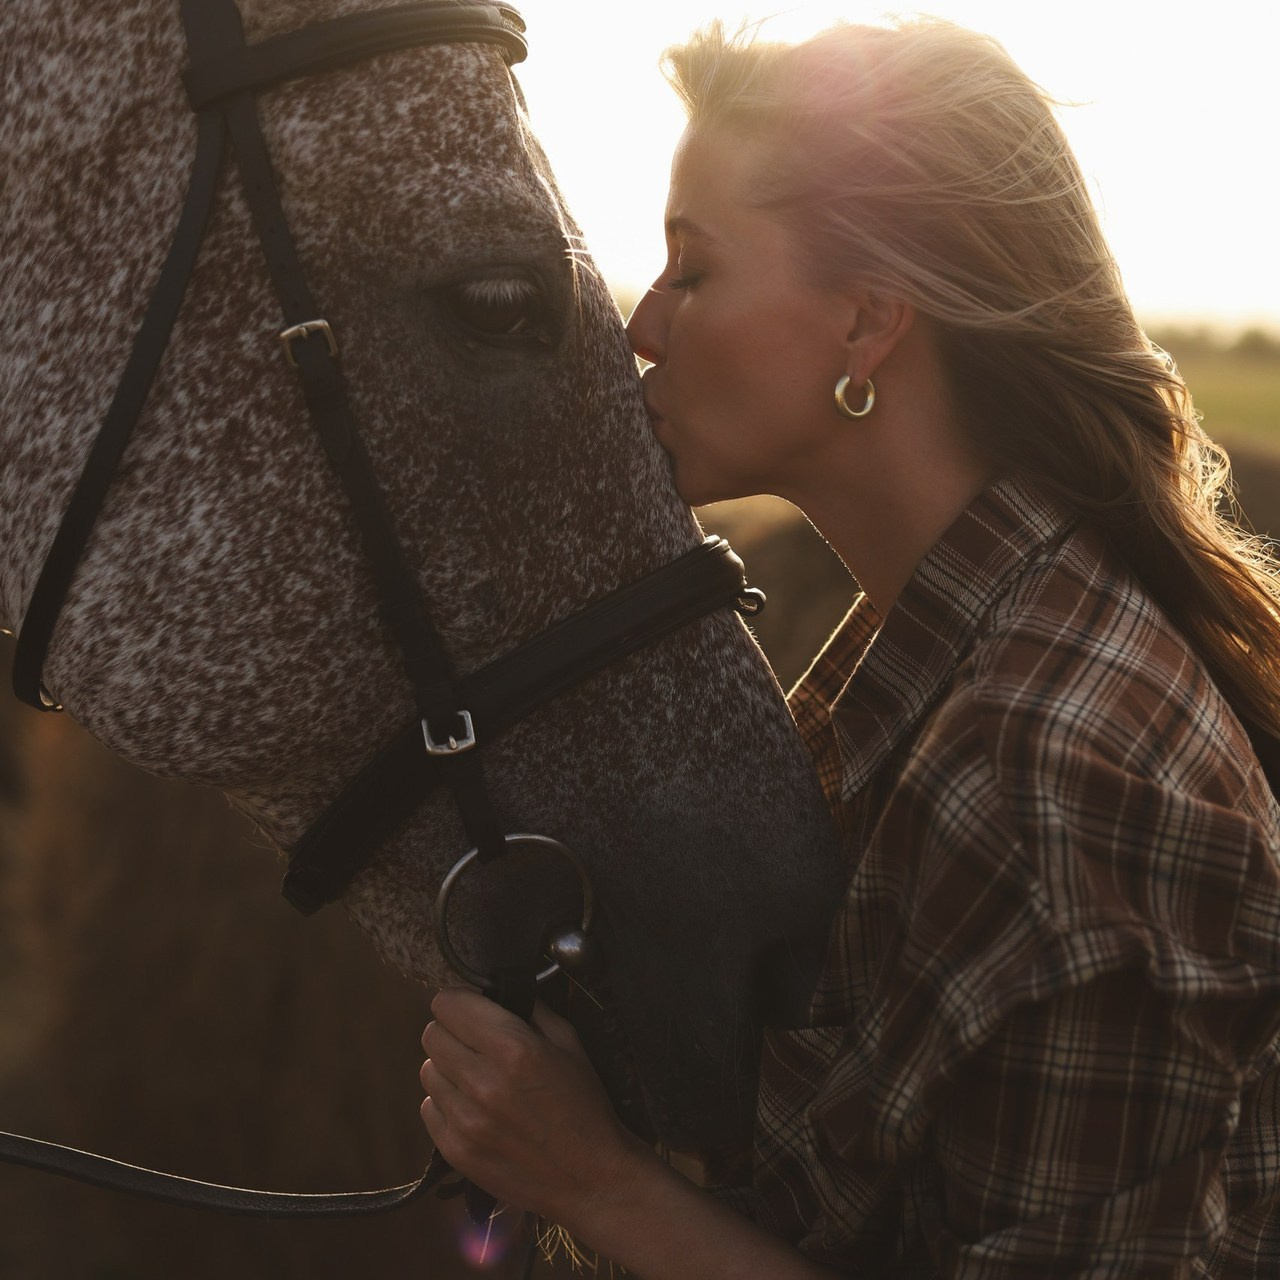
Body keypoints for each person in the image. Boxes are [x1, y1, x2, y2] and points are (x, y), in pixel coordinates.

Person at [418, 17, 1280, 1277]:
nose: (640, 326)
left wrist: (595, 1179)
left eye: (692, 269)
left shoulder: (1052, 769)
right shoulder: (948, 634)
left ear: (867, 324)